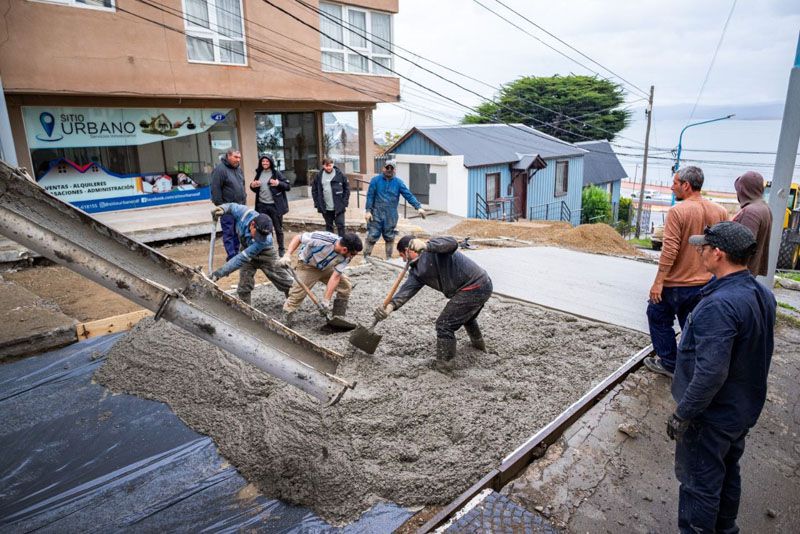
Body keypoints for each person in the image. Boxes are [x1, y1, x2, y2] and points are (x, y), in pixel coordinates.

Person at [667, 221, 775, 533]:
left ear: (718, 253)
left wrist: (683, 413)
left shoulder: (719, 305)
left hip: (712, 415)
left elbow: (711, 373)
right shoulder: (761, 294)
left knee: (698, 482)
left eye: (703, 247)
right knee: (727, 472)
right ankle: (726, 529)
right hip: (740, 409)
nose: (699, 252)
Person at [644, 166, 728, 378]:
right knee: (693, 329)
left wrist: (658, 282)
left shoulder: (678, 211)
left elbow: (670, 249)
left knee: (657, 316)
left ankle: (670, 364)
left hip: (676, 283)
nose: (672, 187)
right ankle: (695, 370)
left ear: (686, 185)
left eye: (675, 183)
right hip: (706, 283)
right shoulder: (720, 211)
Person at [373, 235, 492, 361]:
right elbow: (406, 291)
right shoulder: (417, 272)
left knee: (444, 324)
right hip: (480, 286)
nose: (403, 260)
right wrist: (391, 306)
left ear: (409, 250)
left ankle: (445, 365)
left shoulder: (434, 250)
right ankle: (479, 346)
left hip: (475, 286)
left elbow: (452, 243)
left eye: (402, 255)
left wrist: (427, 245)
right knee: (467, 317)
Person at [209, 203, 293, 305]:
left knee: (285, 281)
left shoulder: (264, 240)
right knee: (244, 286)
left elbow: (240, 259)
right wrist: (223, 208)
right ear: (252, 224)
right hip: (246, 248)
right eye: (257, 234)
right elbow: (231, 206)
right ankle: (246, 310)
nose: (257, 237)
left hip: (266, 254)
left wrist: (218, 274)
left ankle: (291, 306)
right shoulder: (244, 214)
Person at [276, 231, 362, 326]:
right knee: (297, 294)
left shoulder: (346, 257)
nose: (352, 257)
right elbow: (298, 238)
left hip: (327, 267)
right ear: (345, 250)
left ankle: (338, 317)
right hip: (308, 266)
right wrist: (287, 255)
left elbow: (335, 277)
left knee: (345, 286)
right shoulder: (321, 239)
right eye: (352, 254)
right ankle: (286, 320)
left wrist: (326, 301)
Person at [364, 161, 426, 259]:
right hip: (376, 213)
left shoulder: (398, 182)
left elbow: (408, 195)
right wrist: (368, 210)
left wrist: (418, 207)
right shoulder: (375, 180)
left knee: (389, 237)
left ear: (394, 170)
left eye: (391, 168)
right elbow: (370, 196)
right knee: (372, 236)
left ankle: (388, 258)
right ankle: (366, 258)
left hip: (391, 214)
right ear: (383, 168)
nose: (389, 170)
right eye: (387, 168)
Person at [731, 170, 772, 276]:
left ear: (742, 190)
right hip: (748, 273)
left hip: (738, 275)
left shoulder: (751, 212)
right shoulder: (764, 208)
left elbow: (743, 247)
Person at [251, 155, 291, 256]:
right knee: (264, 228)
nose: (265, 163)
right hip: (261, 205)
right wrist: (252, 185)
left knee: (278, 228)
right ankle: (269, 247)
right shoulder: (259, 173)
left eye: (267, 161)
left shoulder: (276, 173)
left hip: (274, 206)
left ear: (271, 162)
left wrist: (278, 183)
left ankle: (281, 248)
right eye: (263, 161)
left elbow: (287, 186)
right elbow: (255, 188)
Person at [210, 149, 246, 261]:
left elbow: (241, 185)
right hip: (227, 208)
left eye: (239, 157)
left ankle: (237, 253)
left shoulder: (238, 169)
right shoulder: (220, 170)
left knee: (238, 232)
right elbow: (215, 189)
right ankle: (231, 256)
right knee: (229, 233)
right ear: (228, 156)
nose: (238, 160)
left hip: (239, 208)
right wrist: (221, 206)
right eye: (236, 157)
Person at [311, 157, 350, 237]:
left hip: (339, 206)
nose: (328, 167)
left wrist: (344, 202)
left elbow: (347, 189)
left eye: (330, 165)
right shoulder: (319, 176)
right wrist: (317, 203)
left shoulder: (340, 174)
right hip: (326, 207)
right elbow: (314, 190)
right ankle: (331, 244)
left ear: (333, 164)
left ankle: (342, 244)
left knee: (341, 225)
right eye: (326, 166)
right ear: (323, 166)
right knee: (329, 227)